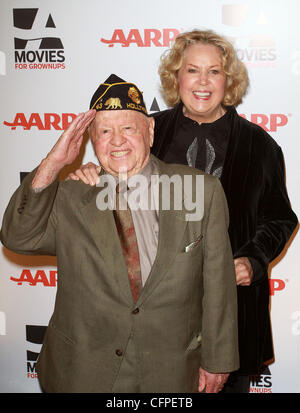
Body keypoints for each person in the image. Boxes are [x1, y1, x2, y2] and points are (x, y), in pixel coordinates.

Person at [69, 31, 298, 393]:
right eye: (193, 70)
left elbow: (280, 218)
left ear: (229, 80)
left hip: (231, 307)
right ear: (177, 77)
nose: (203, 82)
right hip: (157, 310)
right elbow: (117, 171)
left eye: (215, 72)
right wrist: (91, 176)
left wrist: (252, 260)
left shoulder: (261, 145)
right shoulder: (147, 130)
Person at [0, 74, 239, 393]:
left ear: (150, 132)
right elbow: (18, 238)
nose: (117, 141)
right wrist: (53, 164)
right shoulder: (71, 195)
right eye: (104, 131)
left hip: (170, 372)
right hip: (82, 372)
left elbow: (219, 284)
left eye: (128, 128)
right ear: (90, 139)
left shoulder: (200, 191)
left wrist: (217, 360)